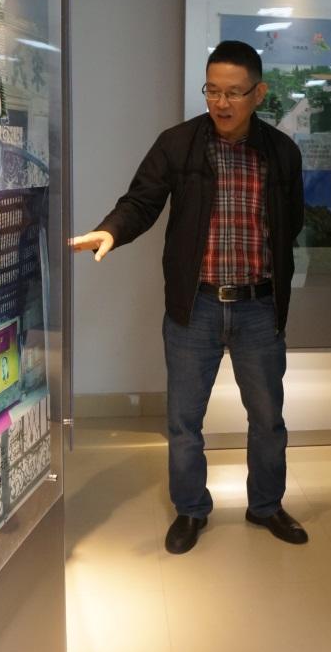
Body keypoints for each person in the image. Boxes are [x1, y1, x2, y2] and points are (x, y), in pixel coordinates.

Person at [70, 40, 306, 555]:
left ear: (259, 93)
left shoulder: (282, 152)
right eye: (212, 91)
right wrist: (112, 230)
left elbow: (291, 222)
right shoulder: (178, 144)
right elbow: (141, 201)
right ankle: (191, 508)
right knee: (183, 421)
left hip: (258, 308)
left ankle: (266, 504)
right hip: (194, 306)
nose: (221, 103)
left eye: (234, 93)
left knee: (268, 419)